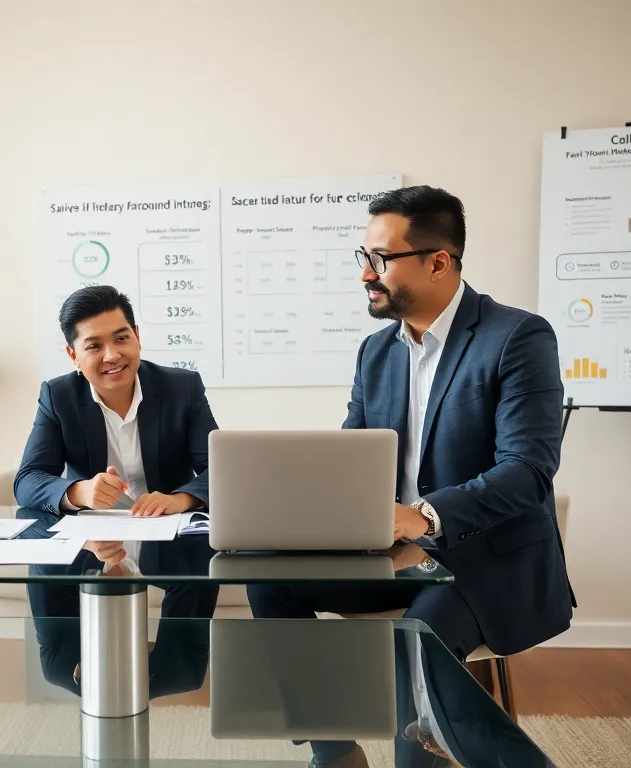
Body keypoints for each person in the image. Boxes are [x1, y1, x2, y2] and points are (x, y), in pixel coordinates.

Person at [246, 186, 574, 766]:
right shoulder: (376, 352)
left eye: (381, 259)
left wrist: (424, 515)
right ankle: (333, 747)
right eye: (363, 258)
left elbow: (528, 471)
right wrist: (297, 509)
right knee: (270, 580)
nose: (366, 275)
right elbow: (351, 461)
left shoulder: (518, 337)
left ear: (438, 261)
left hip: (486, 560)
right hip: (393, 553)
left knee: (413, 640)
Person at [14, 285, 218, 618]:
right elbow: (27, 480)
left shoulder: (182, 389)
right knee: (47, 579)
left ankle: (175, 671)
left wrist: (179, 499)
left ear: (137, 336)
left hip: (168, 534)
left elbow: (222, 470)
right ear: (73, 355)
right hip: (93, 534)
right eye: (94, 345)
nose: (112, 355)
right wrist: (78, 491)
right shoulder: (58, 396)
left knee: (197, 569)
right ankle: (72, 668)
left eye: (121, 338)